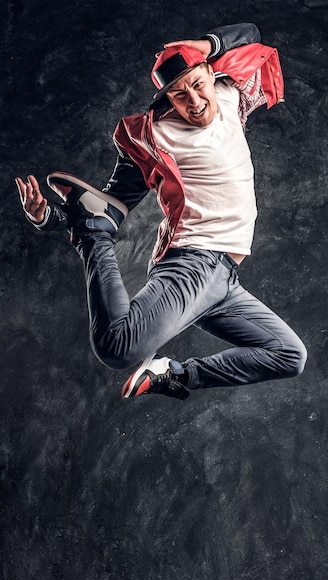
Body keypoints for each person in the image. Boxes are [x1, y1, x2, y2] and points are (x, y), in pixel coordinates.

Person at [15, 23, 307, 401]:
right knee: (117, 346)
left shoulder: (229, 95)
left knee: (288, 354)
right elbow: (108, 206)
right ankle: (90, 241)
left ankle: (174, 374)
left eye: (198, 85)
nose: (195, 101)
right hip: (194, 264)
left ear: (211, 73)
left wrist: (206, 44)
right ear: (169, 97)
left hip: (224, 281)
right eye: (180, 95)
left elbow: (251, 35)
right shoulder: (158, 136)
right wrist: (52, 217)